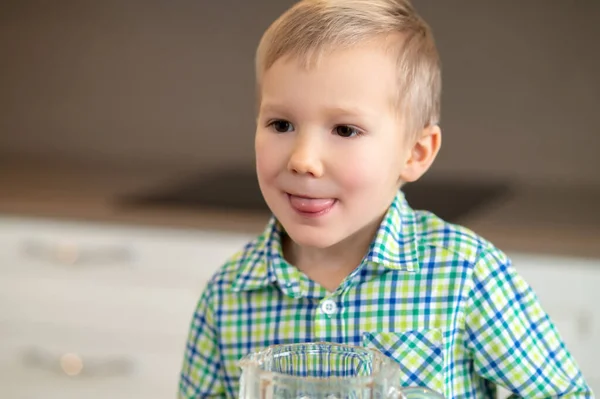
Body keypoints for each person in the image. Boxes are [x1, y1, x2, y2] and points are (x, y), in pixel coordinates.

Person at [178, 0, 593, 397]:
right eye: (281, 123)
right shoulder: (228, 295)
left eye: (344, 130)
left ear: (415, 153)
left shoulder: (465, 275)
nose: (303, 160)